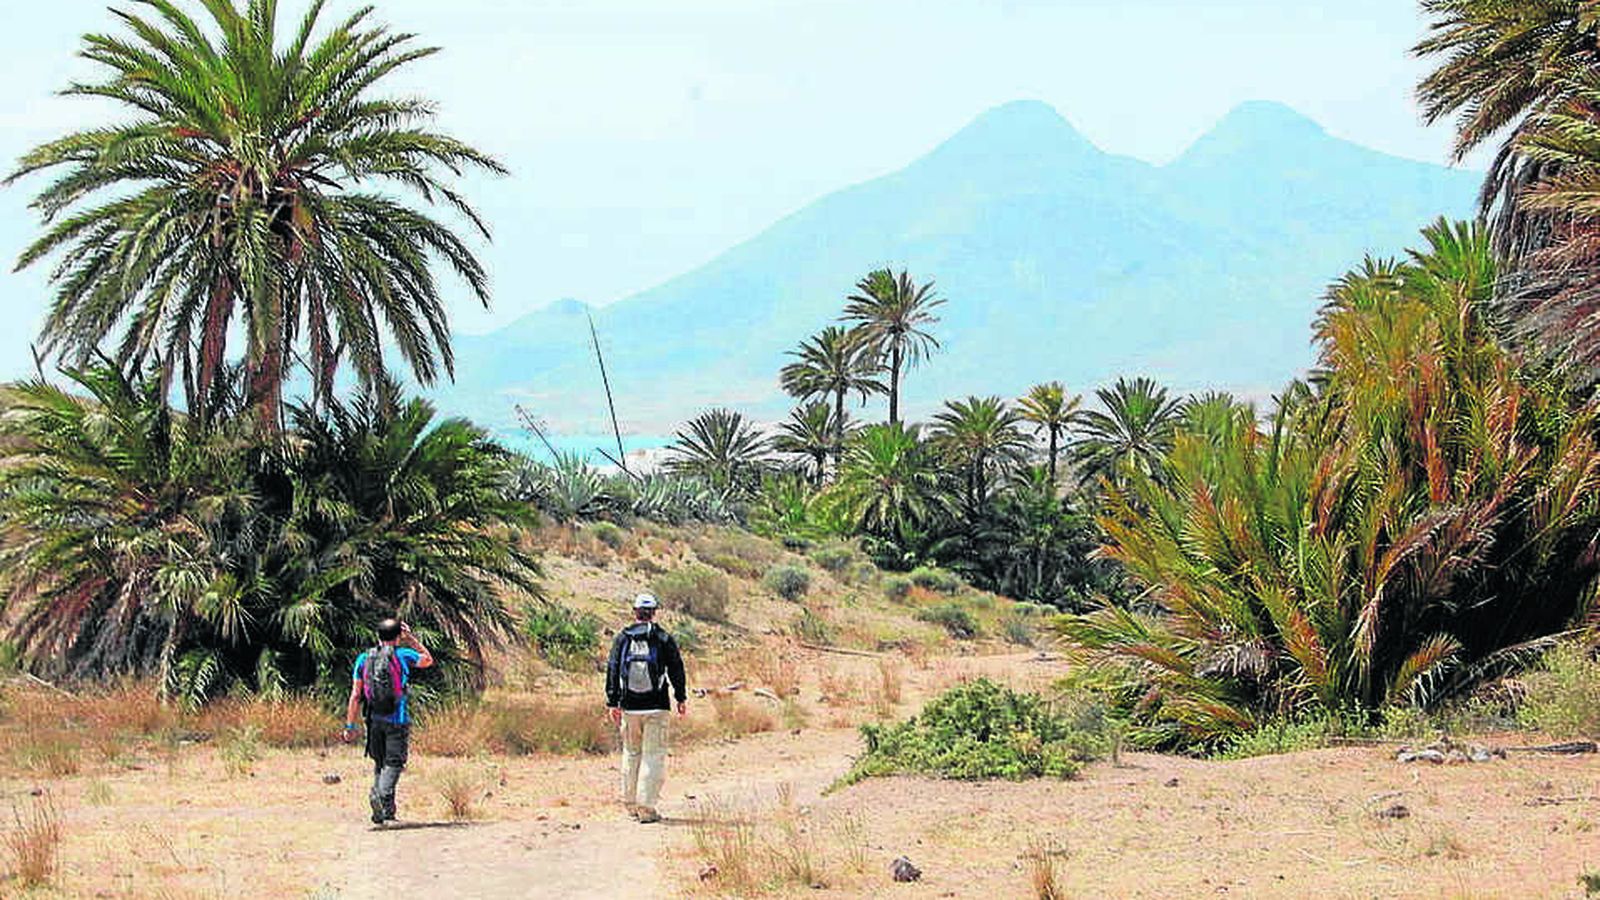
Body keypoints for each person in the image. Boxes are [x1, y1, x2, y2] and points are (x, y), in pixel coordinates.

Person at [604, 593, 688, 824]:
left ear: (635, 612)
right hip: (657, 707)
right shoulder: (663, 638)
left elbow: (612, 669)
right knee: (653, 755)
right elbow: (676, 669)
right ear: (654, 613)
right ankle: (646, 808)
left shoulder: (623, 638)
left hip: (629, 707)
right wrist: (680, 697)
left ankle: (630, 805)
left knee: (631, 753)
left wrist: (612, 701)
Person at [343, 618, 433, 825]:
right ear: (398, 636)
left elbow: (355, 695)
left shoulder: (364, 659)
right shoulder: (403, 655)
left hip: (373, 720)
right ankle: (380, 795)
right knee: (394, 763)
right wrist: (411, 639)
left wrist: (350, 725)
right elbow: (428, 660)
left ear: (378, 636)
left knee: (380, 763)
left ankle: (386, 811)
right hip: (397, 719)